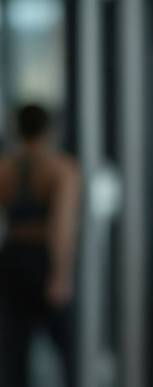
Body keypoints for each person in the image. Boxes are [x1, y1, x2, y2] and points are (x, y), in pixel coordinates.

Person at [0, 104, 80, 386]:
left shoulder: (5, 168)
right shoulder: (61, 169)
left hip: (12, 257)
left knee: (14, 350)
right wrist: (60, 275)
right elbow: (62, 226)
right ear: (49, 131)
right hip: (43, 258)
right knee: (67, 349)